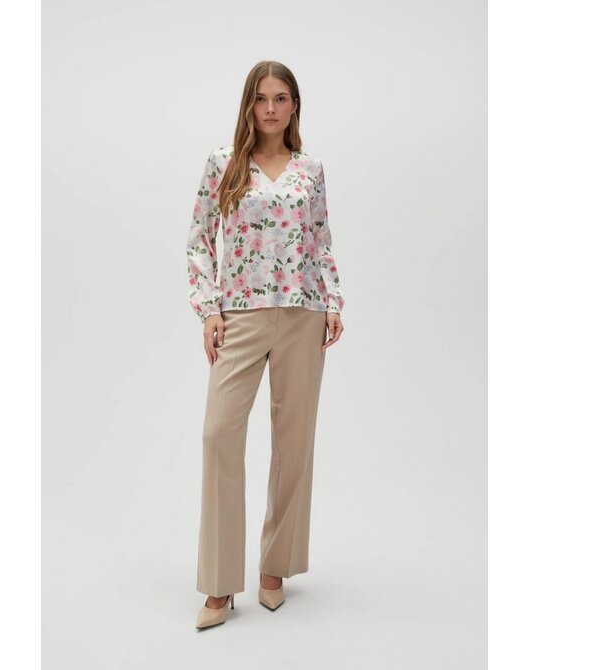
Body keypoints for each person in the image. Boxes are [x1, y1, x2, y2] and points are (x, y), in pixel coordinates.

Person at [186, 61, 346, 630]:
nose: (271, 108)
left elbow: (321, 239)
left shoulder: (311, 170)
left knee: (294, 442)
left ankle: (275, 567)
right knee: (218, 435)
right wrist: (208, 309)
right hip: (241, 316)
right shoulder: (224, 163)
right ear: (248, 105)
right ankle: (220, 584)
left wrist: (333, 300)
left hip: (304, 313)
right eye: (261, 98)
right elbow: (199, 240)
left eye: (280, 98)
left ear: (294, 105)